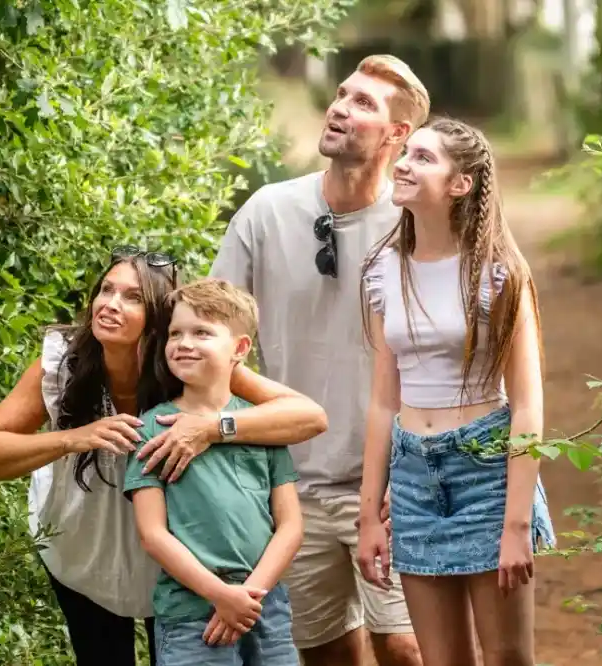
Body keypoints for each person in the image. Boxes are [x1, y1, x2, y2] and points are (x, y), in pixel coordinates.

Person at [0, 247, 328, 666]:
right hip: (82, 544)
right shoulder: (63, 363)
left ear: (159, 318)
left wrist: (211, 428)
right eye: (106, 290)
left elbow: (309, 417)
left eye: (132, 297)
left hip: (177, 564)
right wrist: (74, 438)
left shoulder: (188, 362)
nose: (110, 305)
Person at [209, 54, 428, 666]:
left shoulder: (417, 223)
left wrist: (412, 461)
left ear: (397, 134)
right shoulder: (267, 211)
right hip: (288, 485)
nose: (339, 108)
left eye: (363, 103)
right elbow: (213, 337)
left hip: (387, 483)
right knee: (328, 654)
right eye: (341, 94)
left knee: (406, 646)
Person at [355, 116, 557, 666]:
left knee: (508, 657)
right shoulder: (380, 270)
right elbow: (381, 402)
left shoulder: (499, 272)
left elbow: (528, 404)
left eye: (424, 158)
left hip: (486, 473)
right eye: (406, 153)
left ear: (460, 183)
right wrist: (369, 514)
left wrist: (516, 525)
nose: (403, 163)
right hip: (415, 478)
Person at [125, 277, 307, 666]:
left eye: (201, 332)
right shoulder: (153, 427)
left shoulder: (261, 424)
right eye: (176, 333)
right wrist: (221, 596)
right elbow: (152, 534)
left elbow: (290, 525)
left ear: (239, 348)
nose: (184, 343)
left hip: (265, 608)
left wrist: (249, 596)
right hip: (192, 612)